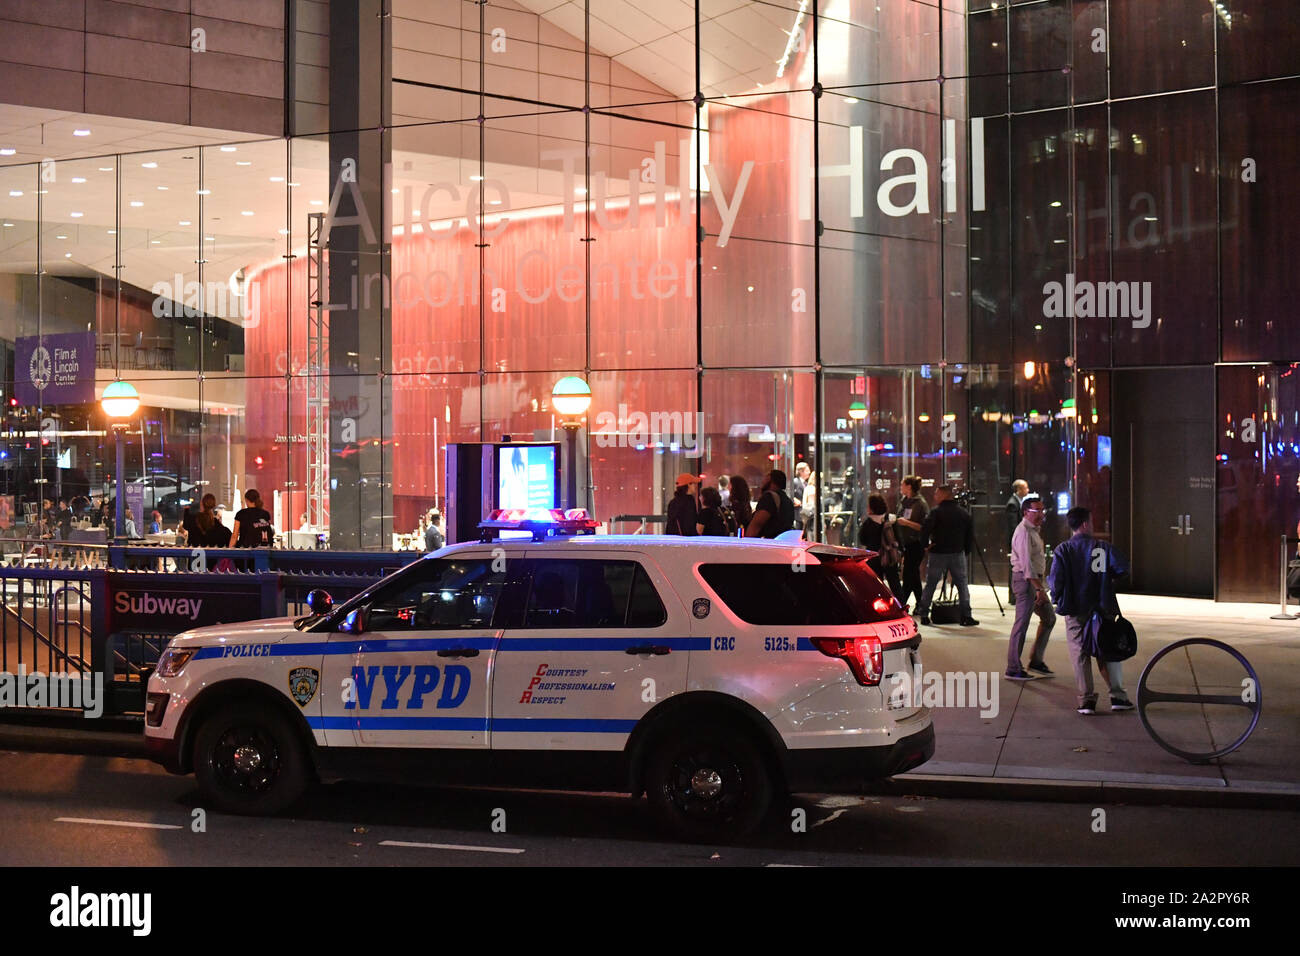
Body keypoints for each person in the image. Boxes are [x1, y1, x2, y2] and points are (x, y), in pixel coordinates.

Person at [1048, 507, 1134, 715]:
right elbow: (1124, 567)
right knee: (1108, 649)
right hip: (1103, 606)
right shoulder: (1101, 547)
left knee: (1080, 653)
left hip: (1075, 607)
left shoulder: (1063, 550)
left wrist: (1057, 598)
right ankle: (1118, 697)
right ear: (1085, 524)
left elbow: (1055, 580)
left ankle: (1086, 700)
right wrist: (1109, 577)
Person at [914, 485, 978, 627]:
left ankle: (924, 614)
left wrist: (925, 546)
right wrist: (966, 551)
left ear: (944, 495)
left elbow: (925, 530)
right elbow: (969, 536)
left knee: (931, 584)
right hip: (957, 553)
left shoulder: (936, 513)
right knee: (962, 585)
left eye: (937, 494)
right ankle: (966, 615)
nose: (935, 496)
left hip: (938, 553)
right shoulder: (963, 513)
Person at [1006, 494, 1055, 680]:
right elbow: (1027, 566)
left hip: (1034, 582)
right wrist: (1039, 589)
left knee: (1049, 618)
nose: (1041, 514)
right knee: (1021, 623)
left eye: (1043, 510)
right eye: (1037, 510)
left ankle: (1035, 660)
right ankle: (1012, 668)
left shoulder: (1034, 529)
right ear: (1026, 512)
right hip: (1026, 582)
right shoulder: (1024, 531)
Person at [895, 476, 930, 612]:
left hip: (916, 543)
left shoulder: (920, 504)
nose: (900, 487)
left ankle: (902, 604)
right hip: (905, 543)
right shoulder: (904, 501)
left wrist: (907, 523)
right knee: (913, 574)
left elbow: (924, 526)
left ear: (909, 486)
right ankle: (921, 604)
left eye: (902, 485)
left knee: (909, 575)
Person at [859, 494, 903, 598]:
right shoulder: (891, 519)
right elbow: (899, 539)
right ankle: (901, 606)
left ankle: (879, 605)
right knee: (894, 583)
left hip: (874, 557)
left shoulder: (868, 523)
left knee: (875, 584)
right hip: (889, 557)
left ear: (872, 507)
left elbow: (863, 540)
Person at [746, 469, 795, 539]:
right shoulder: (787, 500)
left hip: (769, 544)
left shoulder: (769, 498)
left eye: (766, 477)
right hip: (783, 542)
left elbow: (756, 526)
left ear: (770, 479)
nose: (762, 481)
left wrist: (747, 543)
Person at [1006, 479, 1030, 604]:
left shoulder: (1020, 502)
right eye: (1025, 488)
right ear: (1018, 489)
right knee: (1015, 568)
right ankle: (1013, 596)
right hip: (1015, 543)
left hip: (1019, 541)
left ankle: (1017, 594)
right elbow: (1013, 526)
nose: (1028, 490)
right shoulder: (1012, 504)